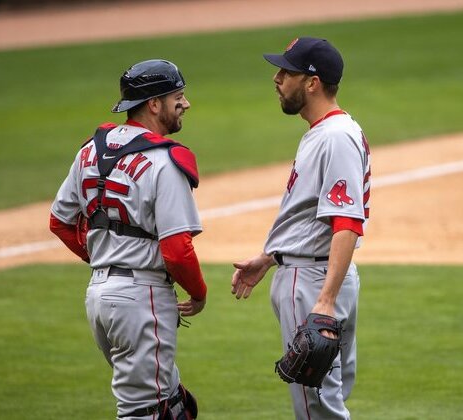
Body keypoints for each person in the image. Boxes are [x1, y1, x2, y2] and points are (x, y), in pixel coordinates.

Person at [49, 59, 205, 419]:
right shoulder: (164, 162)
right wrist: (199, 293)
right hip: (140, 301)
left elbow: (59, 221)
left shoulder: (90, 150)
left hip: (100, 299)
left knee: (174, 405)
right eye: (178, 96)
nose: (186, 104)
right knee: (147, 410)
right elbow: (177, 251)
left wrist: (106, 260)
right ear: (154, 104)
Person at [231, 37, 371, 419]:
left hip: (312, 279)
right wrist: (269, 257)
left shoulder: (335, 137)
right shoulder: (327, 132)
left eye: (286, 72)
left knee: (317, 406)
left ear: (312, 82)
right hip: (313, 270)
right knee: (329, 398)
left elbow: (346, 222)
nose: (277, 79)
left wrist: (324, 301)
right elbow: (311, 217)